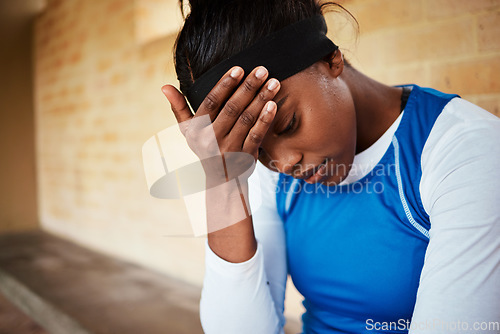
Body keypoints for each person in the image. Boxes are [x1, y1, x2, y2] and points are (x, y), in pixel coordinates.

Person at [161, 0, 500, 333]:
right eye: (257, 149)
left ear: (331, 58)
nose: (283, 162)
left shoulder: (464, 149)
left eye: (289, 123)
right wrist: (221, 185)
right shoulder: (269, 170)